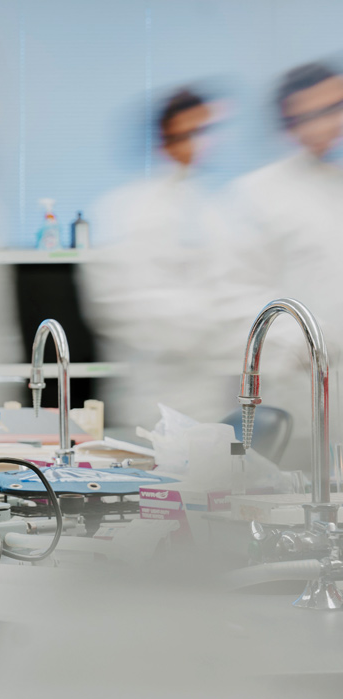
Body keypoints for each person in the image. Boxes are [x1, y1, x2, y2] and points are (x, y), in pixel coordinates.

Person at [81, 87, 254, 428]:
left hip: (213, 392)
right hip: (155, 393)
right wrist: (208, 322)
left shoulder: (214, 208)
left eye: (205, 132)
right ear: (165, 138)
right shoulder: (125, 209)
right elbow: (124, 308)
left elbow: (235, 288)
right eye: (189, 133)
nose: (200, 143)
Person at [232, 61, 343, 467]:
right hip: (295, 390)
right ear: (289, 122)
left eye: (337, 106)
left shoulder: (336, 183)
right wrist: (308, 343)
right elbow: (239, 295)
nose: (332, 122)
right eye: (316, 113)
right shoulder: (257, 195)